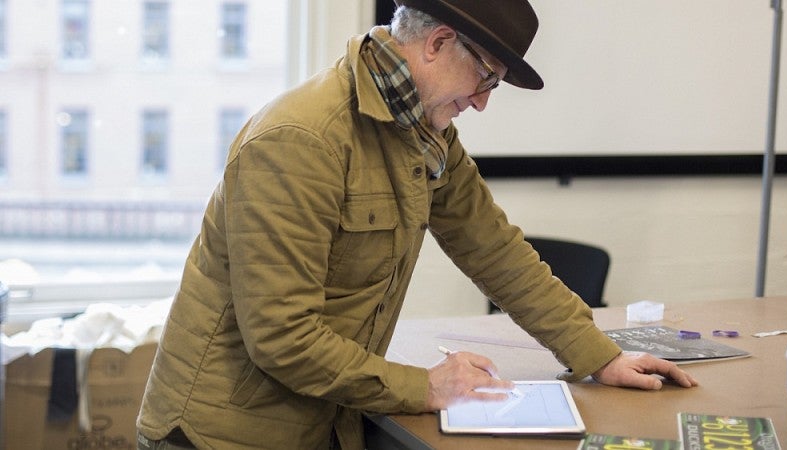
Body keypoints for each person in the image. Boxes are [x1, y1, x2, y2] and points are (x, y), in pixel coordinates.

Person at [136, 1, 698, 449]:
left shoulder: (422, 134)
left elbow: (495, 250)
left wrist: (600, 355)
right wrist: (425, 387)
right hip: (223, 433)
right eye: (487, 79)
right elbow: (282, 337)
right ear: (438, 44)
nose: (481, 103)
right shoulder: (300, 141)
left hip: (319, 419)